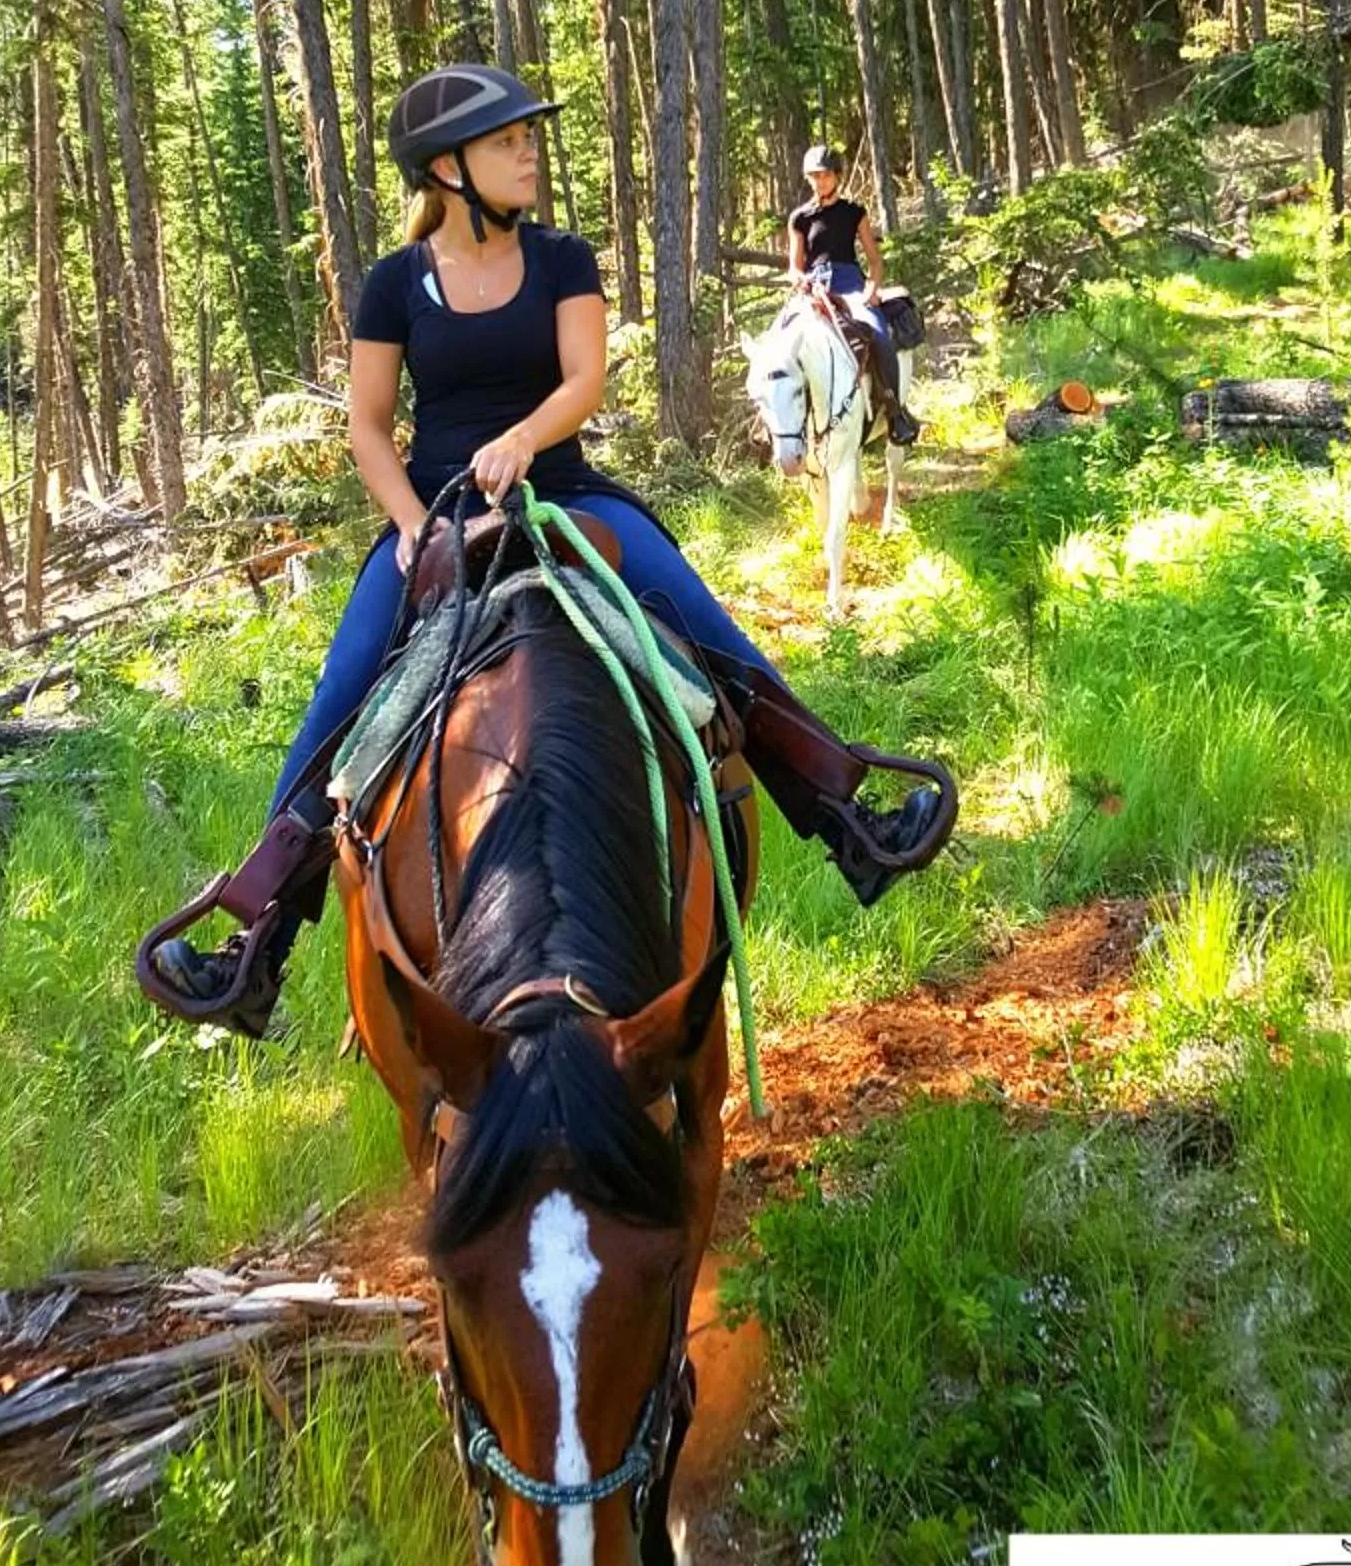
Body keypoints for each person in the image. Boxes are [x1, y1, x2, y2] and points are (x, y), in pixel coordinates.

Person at [144, 66, 955, 1038]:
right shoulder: (396, 286)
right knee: (345, 689)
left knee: (704, 631)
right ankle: (258, 940)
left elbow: (582, 380)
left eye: (527, 136)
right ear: (446, 168)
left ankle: (843, 816)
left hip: (564, 491)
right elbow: (367, 426)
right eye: (505, 141)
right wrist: (408, 527)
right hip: (438, 512)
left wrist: (526, 440)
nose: (528, 151)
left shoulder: (563, 259)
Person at [787, 145, 919, 447]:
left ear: (837, 176)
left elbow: (874, 260)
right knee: (781, 340)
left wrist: (872, 289)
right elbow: (794, 267)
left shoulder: (854, 212)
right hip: (813, 287)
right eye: (814, 176)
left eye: (825, 175)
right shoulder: (799, 218)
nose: (819, 181)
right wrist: (802, 282)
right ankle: (775, 426)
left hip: (850, 283)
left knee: (879, 334)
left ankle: (895, 411)